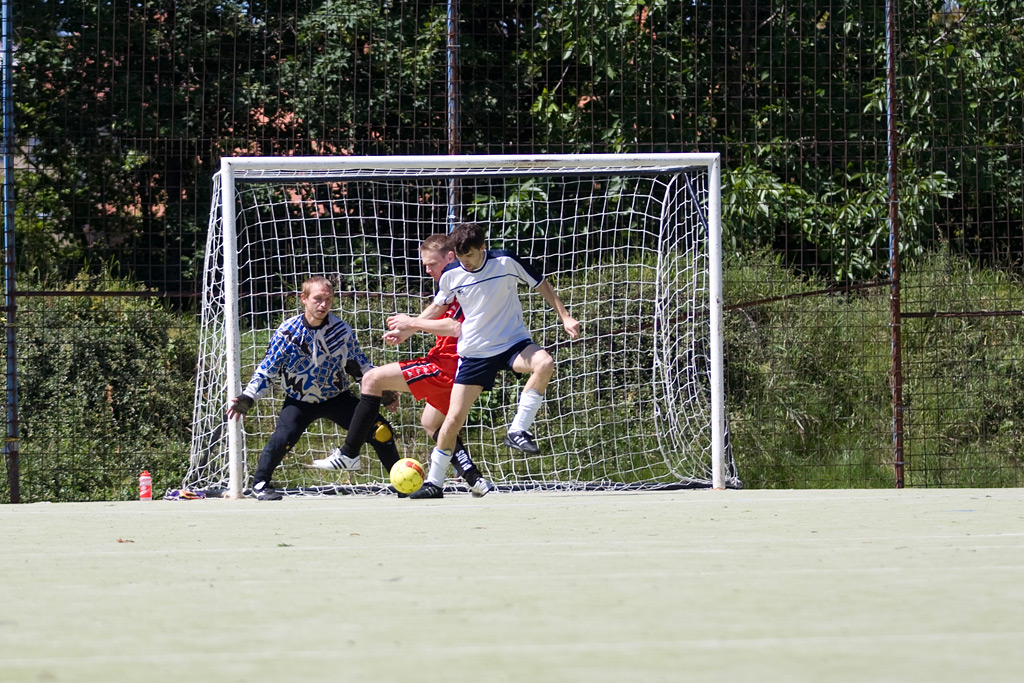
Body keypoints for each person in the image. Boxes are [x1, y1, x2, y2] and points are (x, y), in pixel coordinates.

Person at [387, 222, 581, 499]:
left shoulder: (505, 262)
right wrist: (409, 328)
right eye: (460, 257)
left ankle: (518, 430)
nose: (465, 262)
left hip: (512, 343)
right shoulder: (451, 275)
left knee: (544, 362)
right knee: (452, 420)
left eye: (470, 255)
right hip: (475, 352)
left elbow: (540, 284)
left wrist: (565, 316)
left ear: (482, 248)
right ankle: (434, 482)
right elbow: (439, 306)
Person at [311, 234, 494, 498]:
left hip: (449, 366)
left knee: (372, 379)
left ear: (450, 257)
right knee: (431, 422)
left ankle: (349, 453)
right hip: (454, 367)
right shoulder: (450, 285)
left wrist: (411, 323)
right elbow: (434, 311)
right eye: (425, 265)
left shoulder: (465, 284)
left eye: (432, 264)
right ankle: (475, 479)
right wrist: (407, 330)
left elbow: (456, 328)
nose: (427, 270)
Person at [225, 275, 400, 500]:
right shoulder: (287, 333)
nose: (323, 305)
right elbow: (267, 369)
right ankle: (259, 484)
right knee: (282, 438)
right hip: (299, 401)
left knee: (381, 431)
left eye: (328, 299)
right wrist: (249, 396)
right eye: (318, 299)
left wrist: (383, 392)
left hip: (337, 398)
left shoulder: (341, 331)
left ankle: (401, 483)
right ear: (304, 299)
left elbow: (360, 366)